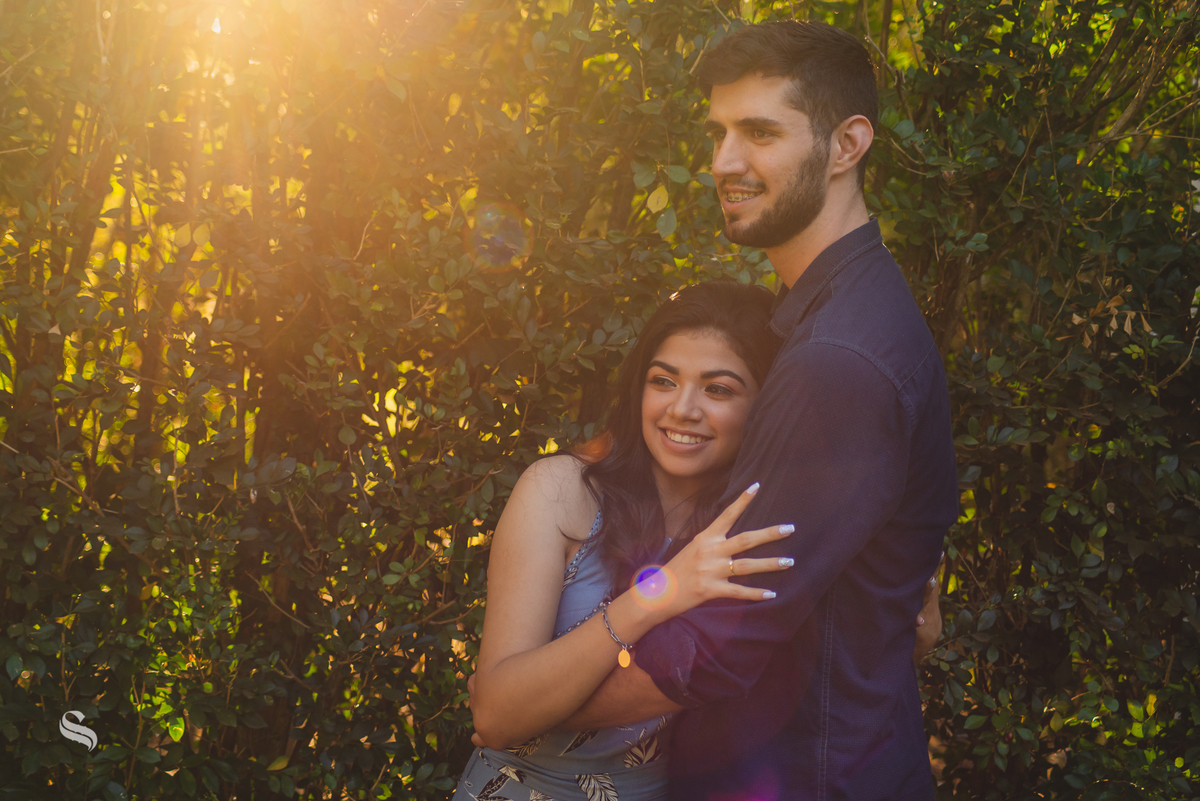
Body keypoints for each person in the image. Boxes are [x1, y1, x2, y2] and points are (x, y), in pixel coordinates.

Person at [541, 20, 959, 801]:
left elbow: (718, 646)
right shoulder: (832, 312)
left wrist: (538, 720)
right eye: (720, 133)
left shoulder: (837, 357)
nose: (725, 163)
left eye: (760, 132)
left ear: (848, 144)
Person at [453, 282, 944, 801]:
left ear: (766, 409)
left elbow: (840, 655)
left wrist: (918, 599)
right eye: (663, 381)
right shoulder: (560, 492)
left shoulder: (758, 531)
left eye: (719, 389)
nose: (682, 409)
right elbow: (497, 712)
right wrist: (658, 592)